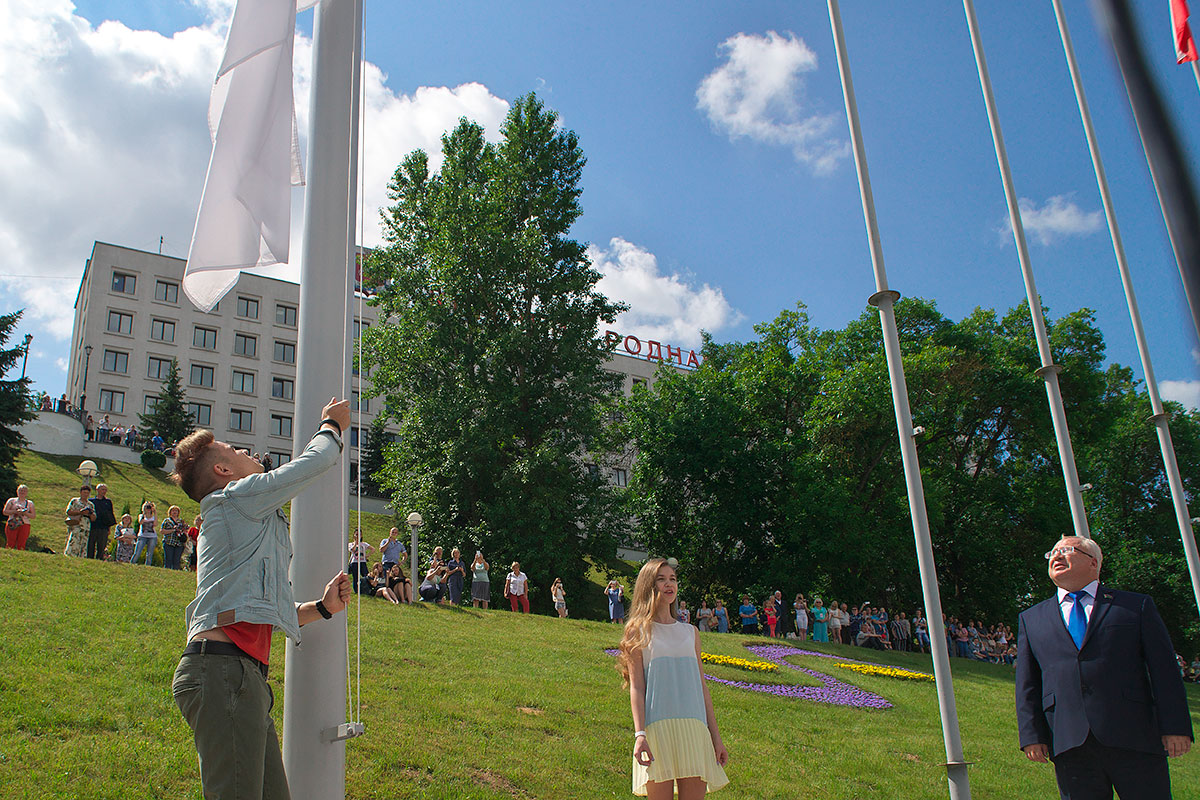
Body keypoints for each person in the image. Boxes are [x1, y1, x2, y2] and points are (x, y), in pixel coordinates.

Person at [169, 397, 353, 800]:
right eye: (236, 451)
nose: (248, 453)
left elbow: (261, 610)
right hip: (224, 675)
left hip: (238, 678)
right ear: (223, 471)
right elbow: (311, 465)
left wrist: (322, 608)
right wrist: (331, 427)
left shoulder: (245, 518)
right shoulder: (234, 498)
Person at [1016, 536, 1194, 800]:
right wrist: (1031, 734)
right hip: (1069, 741)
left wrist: (1176, 727)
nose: (1056, 556)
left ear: (1094, 562)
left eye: (1066, 550)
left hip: (1134, 736)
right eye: (1051, 552)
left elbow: (1164, 670)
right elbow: (1028, 683)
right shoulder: (1032, 619)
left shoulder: (1134, 606)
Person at [615, 558, 729, 797]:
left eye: (673, 579)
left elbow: (702, 687)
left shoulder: (691, 632)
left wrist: (715, 738)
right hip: (657, 732)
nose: (669, 584)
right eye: (661, 579)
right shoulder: (638, 631)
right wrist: (640, 735)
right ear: (649, 585)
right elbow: (637, 688)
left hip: (695, 730)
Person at [85, 483, 116, 559]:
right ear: (97, 490)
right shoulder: (91, 501)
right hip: (93, 526)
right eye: (102, 489)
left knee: (101, 546)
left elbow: (110, 515)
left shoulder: (108, 502)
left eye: (105, 490)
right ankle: (89, 559)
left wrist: (109, 528)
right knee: (90, 545)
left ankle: (99, 559)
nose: (104, 491)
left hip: (103, 527)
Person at [63, 485, 96, 557]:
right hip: (76, 524)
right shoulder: (75, 501)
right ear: (81, 492)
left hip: (86, 526)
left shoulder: (90, 505)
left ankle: (81, 556)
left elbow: (94, 518)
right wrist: (80, 512)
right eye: (84, 492)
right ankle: (70, 555)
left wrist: (90, 514)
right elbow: (68, 511)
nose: (85, 494)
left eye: (87, 493)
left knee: (84, 542)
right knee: (74, 540)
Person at [4, 484, 36, 550]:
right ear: (17, 491)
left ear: (27, 493)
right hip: (13, 523)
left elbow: (33, 516)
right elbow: (5, 512)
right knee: (10, 542)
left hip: (25, 524)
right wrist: (15, 511)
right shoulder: (12, 501)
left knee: (22, 542)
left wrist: (25, 513)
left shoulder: (30, 503)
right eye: (21, 491)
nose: (22, 492)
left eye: (24, 491)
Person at [160, 505, 188, 570]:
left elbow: (185, 530)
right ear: (170, 512)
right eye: (173, 510)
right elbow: (162, 531)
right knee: (168, 559)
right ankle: (167, 571)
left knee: (176, 560)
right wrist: (173, 530)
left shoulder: (181, 521)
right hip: (169, 542)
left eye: (176, 511)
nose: (174, 512)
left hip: (179, 543)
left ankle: (175, 572)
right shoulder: (167, 521)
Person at [131, 501, 158, 566]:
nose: (148, 509)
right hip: (142, 536)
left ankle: (148, 565)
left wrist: (155, 512)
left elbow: (155, 524)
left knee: (150, 553)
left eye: (149, 507)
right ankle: (132, 563)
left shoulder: (153, 517)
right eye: (147, 507)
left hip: (152, 536)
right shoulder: (141, 515)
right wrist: (144, 513)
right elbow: (140, 522)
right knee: (137, 552)